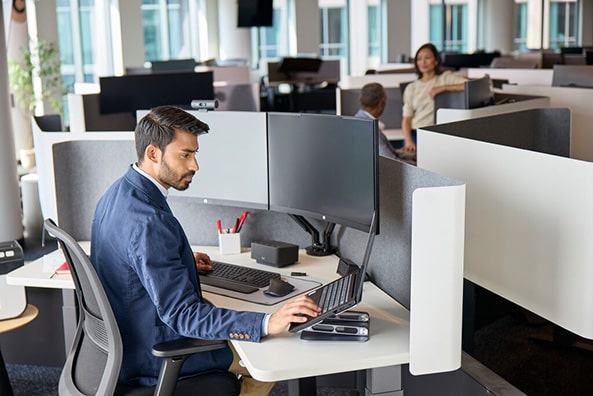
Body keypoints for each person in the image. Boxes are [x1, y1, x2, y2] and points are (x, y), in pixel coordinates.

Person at [90, 106, 321, 394]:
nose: (195, 166)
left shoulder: (117, 194)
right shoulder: (150, 222)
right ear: (153, 154)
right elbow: (184, 316)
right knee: (271, 356)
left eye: (195, 154)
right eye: (185, 155)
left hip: (125, 346)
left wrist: (179, 262)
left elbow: (131, 263)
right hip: (156, 355)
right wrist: (267, 322)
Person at [401, 43, 467, 152]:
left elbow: (470, 85)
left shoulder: (445, 78)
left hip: (438, 133)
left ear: (436, 61)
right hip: (415, 133)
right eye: (419, 59)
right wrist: (408, 141)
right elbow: (406, 119)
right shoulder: (411, 87)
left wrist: (444, 88)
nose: (423, 62)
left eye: (427, 58)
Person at [354, 82, 398, 159]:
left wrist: (410, 155)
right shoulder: (370, 128)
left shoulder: (357, 120)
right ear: (381, 104)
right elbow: (390, 160)